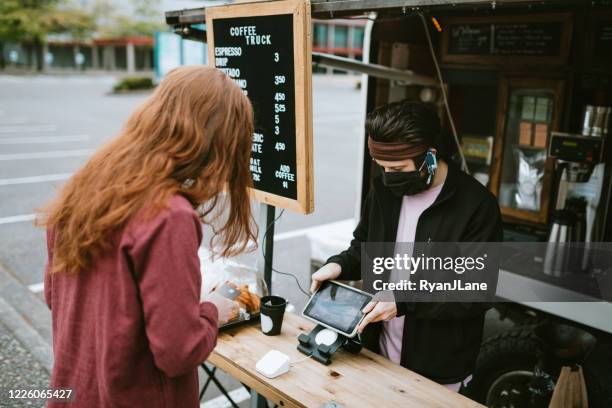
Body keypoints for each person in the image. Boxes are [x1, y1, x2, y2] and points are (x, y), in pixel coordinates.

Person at [38, 66, 256, 408]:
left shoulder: (88, 184)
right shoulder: (169, 215)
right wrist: (212, 309)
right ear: (219, 143)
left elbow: (58, 297)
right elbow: (177, 351)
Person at [311, 101, 502, 391]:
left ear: (430, 157)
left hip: (438, 369)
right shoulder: (384, 192)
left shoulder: (477, 206)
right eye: (382, 167)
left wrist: (403, 298)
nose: (389, 177)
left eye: (397, 168)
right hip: (376, 352)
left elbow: (475, 290)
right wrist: (338, 264)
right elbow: (364, 246)